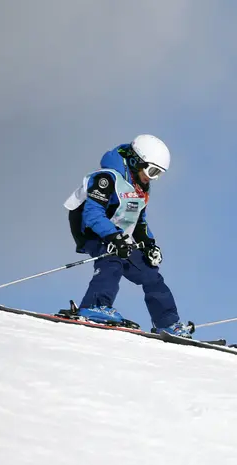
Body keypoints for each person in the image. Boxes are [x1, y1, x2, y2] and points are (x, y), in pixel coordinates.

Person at [62, 134, 192, 338]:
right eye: (152, 171)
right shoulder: (107, 178)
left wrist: (149, 245)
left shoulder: (141, 188)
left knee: (150, 273)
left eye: (159, 173)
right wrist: (114, 237)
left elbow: (138, 220)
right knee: (112, 258)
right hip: (90, 230)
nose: (153, 178)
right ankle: (95, 306)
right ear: (136, 161)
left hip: (118, 235)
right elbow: (92, 214)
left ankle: (168, 323)